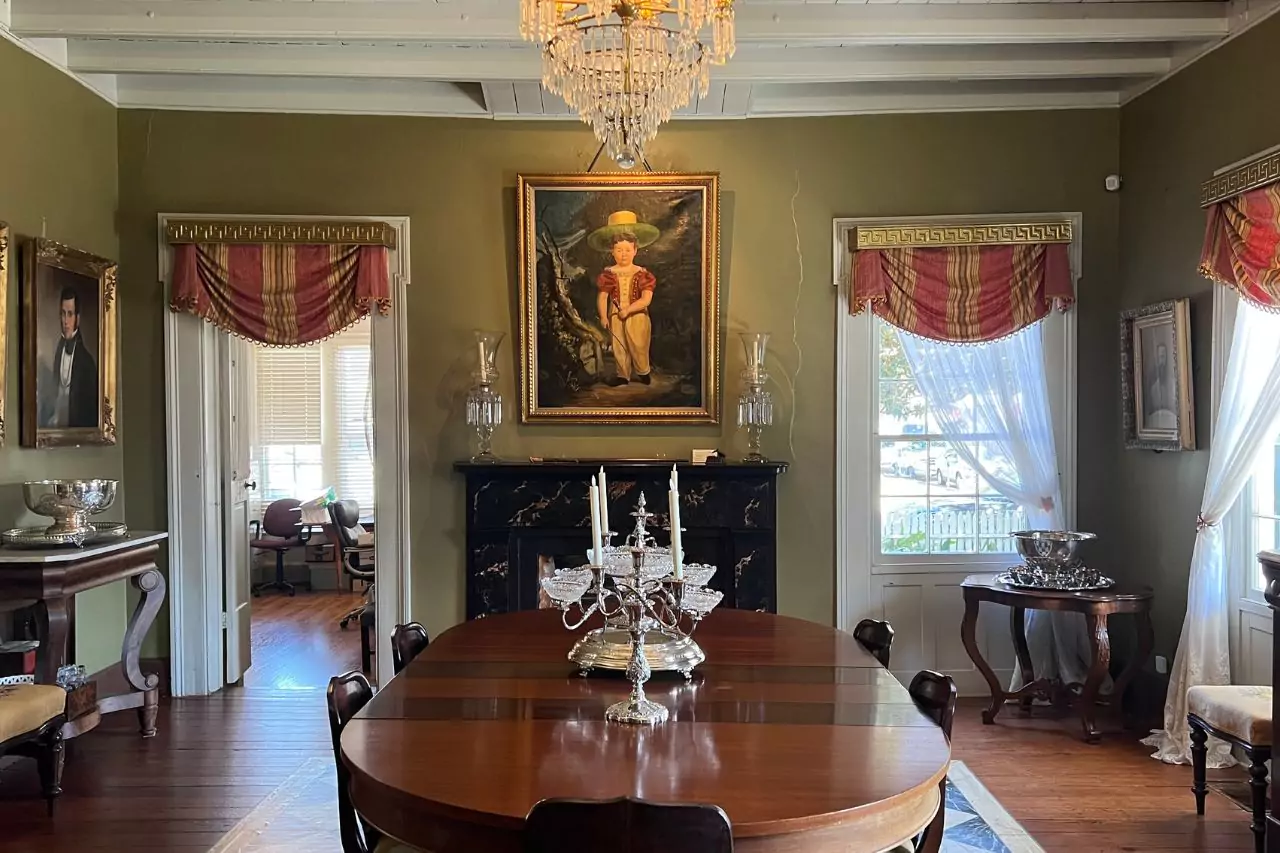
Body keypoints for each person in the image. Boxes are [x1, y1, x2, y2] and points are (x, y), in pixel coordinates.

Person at [589, 210, 660, 387]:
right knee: (619, 345)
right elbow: (603, 297)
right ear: (612, 251)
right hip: (615, 315)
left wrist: (628, 310)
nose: (623, 254)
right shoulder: (609, 273)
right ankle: (622, 375)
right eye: (619, 250)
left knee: (639, 343)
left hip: (638, 314)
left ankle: (643, 371)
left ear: (635, 250)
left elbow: (646, 299)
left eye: (627, 250)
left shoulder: (642, 274)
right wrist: (604, 316)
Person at [40, 287, 98, 428]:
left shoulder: (87, 363)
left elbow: (90, 412)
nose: (65, 321)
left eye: (70, 314)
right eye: (63, 314)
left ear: (77, 318)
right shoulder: (58, 352)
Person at [1144, 341, 1177, 430]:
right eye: (1160, 357)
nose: (1162, 361)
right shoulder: (1152, 386)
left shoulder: (1172, 383)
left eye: (1164, 357)